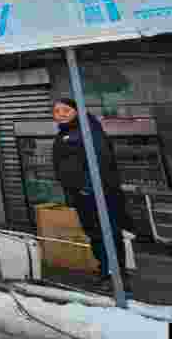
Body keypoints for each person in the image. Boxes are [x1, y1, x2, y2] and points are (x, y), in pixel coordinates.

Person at [51, 98, 132, 293]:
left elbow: (101, 161)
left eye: (65, 110)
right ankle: (105, 270)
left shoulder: (87, 132)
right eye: (56, 111)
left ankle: (116, 275)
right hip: (81, 194)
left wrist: (88, 188)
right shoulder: (67, 133)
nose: (60, 114)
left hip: (98, 194)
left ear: (77, 112)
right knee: (95, 233)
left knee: (107, 233)